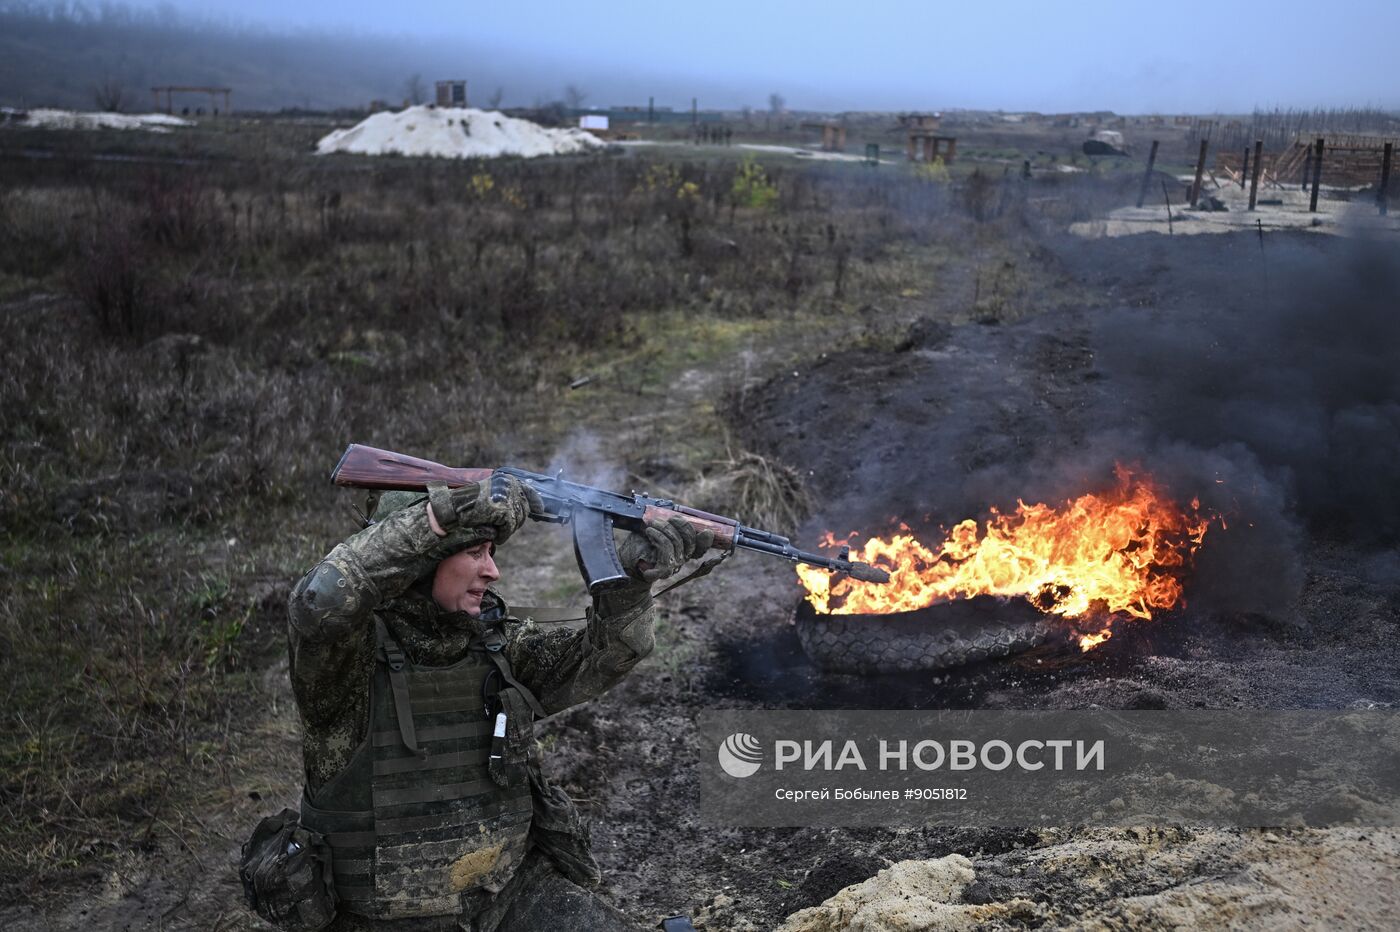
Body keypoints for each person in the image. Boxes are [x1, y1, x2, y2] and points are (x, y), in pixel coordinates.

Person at [286, 473, 711, 931]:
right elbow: (319, 601)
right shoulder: (346, 661)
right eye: (474, 552)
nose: (493, 571)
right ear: (422, 562)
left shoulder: (493, 643)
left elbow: (605, 657)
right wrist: (432, 522)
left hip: (508, 897)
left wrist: (627, 585)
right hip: (382, 918)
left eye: (491, 552)